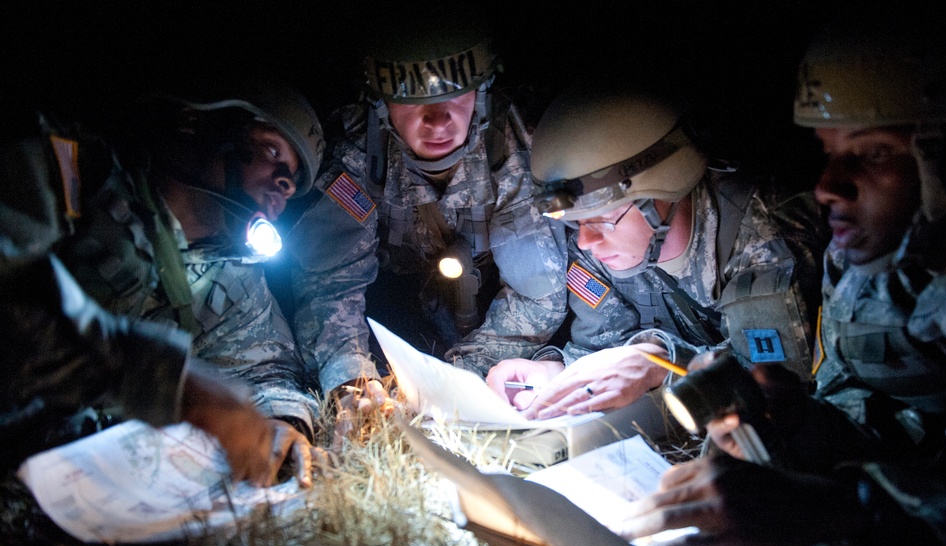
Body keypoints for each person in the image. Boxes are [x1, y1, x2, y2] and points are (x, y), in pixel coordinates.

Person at [619, 16, 946, 546]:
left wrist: (840, 511)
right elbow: (903, 431)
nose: (827, 186)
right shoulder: (875, 258)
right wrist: (798, 431)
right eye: (829, 151)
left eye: (872, 154)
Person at [0, 79, 326, 487]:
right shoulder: (68, 169)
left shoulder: (232, 273)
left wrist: (279, 421)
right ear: (199, 123)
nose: (286, 184)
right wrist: (174, 383)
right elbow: (14, 301)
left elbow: (267, 367)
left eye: (291, 179)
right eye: (272, 151)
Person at [486, 83, 826, 421]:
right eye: (576, 223)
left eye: (602, 220)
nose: (586, 241)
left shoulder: (760, 233)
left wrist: (660, 364)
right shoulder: (598, 250)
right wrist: (556, 373)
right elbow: (603, 350)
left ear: (661, 191)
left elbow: (776, 386)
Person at [284, 16, 568, 421]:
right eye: (411, 98)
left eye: (455, 94)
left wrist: (451, 382)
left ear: (482, 93)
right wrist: (352, 381)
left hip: (500, 326)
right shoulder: (359, 155)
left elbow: (538, 297)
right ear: (380, 105)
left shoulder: (516, 150)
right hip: (403, 312)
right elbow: (329, 286)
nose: (437, 119)